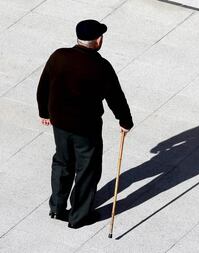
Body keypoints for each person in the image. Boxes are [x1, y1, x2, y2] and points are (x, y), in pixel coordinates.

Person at [36, 19, 133, 228]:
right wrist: (125, 120)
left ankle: (57, 208)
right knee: (87, 169)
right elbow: (116, 97)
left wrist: (44, 111)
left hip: (60, 124)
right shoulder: (101, 66)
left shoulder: (59, 56)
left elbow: (44, 85)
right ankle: (79, 216)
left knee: (62, 163)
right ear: (97, 40)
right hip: (85, 128)